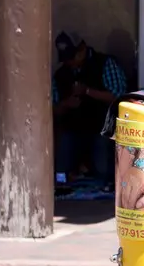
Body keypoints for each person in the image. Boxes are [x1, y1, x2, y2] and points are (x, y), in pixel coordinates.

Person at [53, 32, 127, 181]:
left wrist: (87, 91)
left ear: (82, 49)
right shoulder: (61, 74)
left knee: (102, 171)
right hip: (72, 129)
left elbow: (120, 97)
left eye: (72, 56)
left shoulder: (104, 63)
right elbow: (52, 109)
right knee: (62, 172)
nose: (70, 62)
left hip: (101, 128)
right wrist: (67, 104)